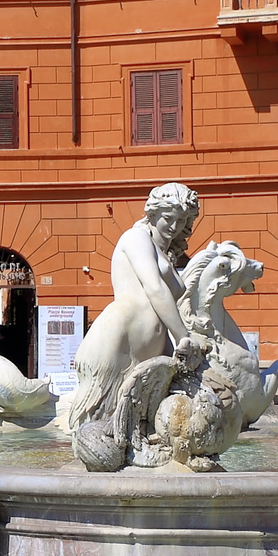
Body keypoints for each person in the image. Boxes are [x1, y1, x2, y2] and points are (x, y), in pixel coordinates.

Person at [67, 183, 201, 431]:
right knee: (100, 420)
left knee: (138, 424)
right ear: (152, 214)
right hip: (120, 339)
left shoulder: (164, 252)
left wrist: (174, 346)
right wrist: (184, 336)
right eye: (168, 218)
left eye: (182, 220)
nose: (175, 226)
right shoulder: (136, 237)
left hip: (149, 348)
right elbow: (154, 288)